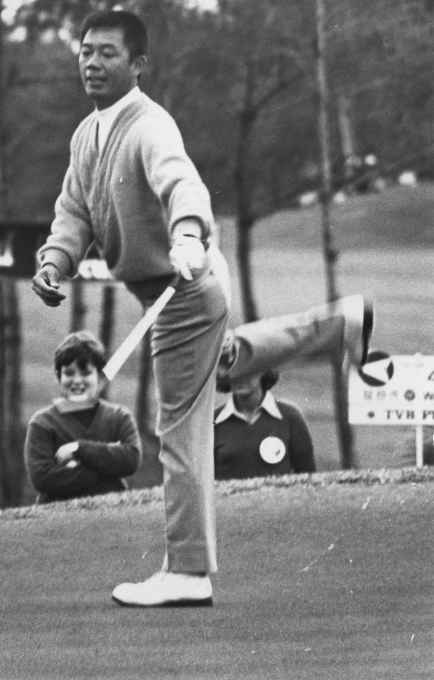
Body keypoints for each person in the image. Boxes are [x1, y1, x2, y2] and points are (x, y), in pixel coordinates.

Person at [31, 10, 372, 607]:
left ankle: (187, 570)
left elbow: (182, 185)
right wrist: (55, 263)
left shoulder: (150, 125)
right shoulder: (87, 135)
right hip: (169, 290)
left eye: (108, 53)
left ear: (137, 64)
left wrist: (187, 232)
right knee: (222, 366)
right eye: (85, 51)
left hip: (184, 286)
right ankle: (339, 323)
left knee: (180, 430)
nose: (91, 62)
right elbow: (74, 213)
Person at [25, 332, 141, 502]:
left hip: (112, 513)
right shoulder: (42, 422)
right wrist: (108, 465)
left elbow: (131, 459)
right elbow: (43, 479)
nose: (77, 381)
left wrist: (79, 450)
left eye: (86, 373)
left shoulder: (119, 417)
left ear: (100, 377)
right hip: (57, 519)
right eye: (69, 373)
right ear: (59, 376)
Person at [214, 370, 315, 480]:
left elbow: (308, 477)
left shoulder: (290, 416)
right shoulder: (212, 421)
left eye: (249, 369)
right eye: (233, 370)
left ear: (264, 371)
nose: (239, 377)